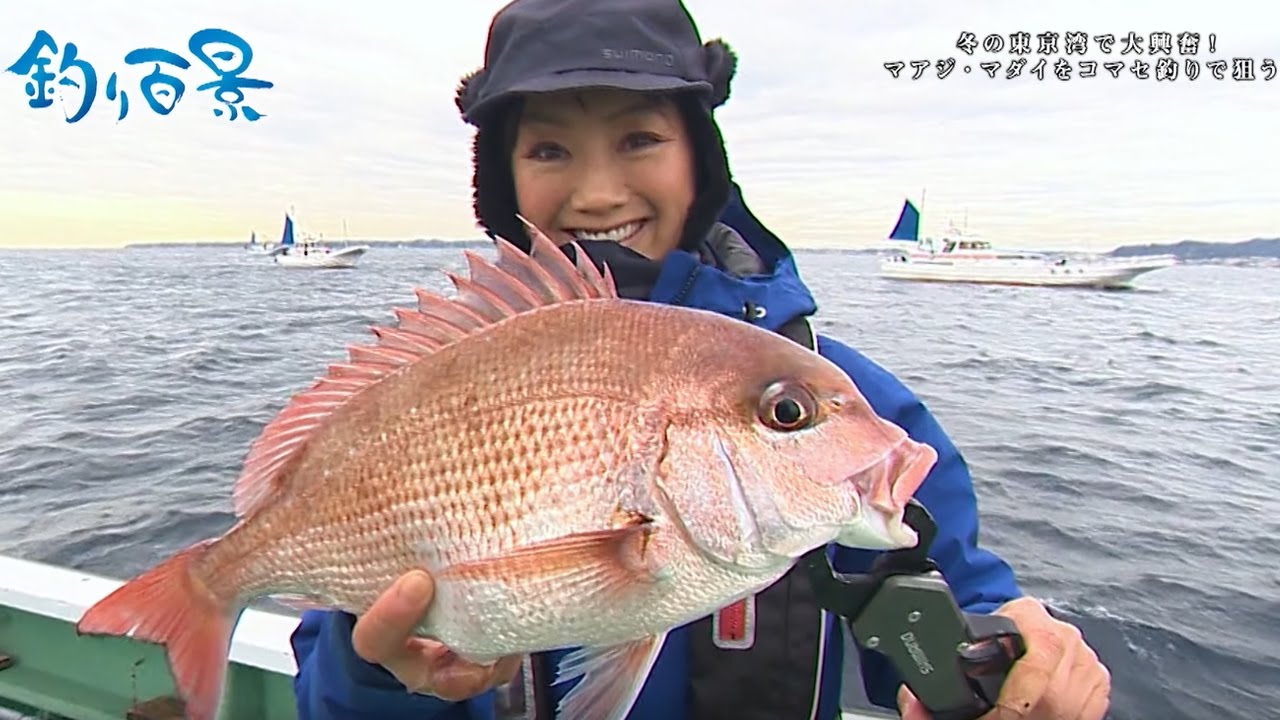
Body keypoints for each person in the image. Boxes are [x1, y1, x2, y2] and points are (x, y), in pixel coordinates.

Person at [289, 0, 1112, 718]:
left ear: (701, 161)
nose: (599, 191)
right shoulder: (430, 388)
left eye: (640, 138)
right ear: (503, 179)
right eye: (548, 151)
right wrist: (380, 670)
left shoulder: (855, 403)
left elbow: (954, 610)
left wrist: (1014, 658)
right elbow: (329, 694)